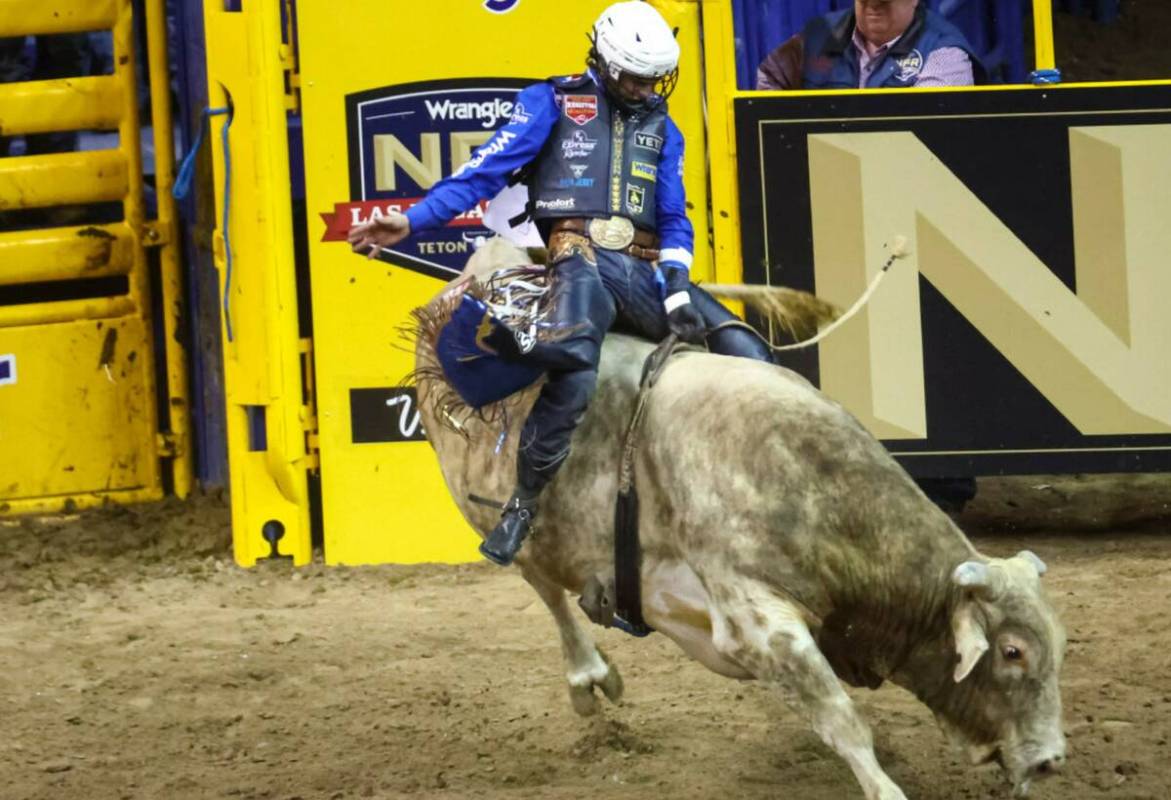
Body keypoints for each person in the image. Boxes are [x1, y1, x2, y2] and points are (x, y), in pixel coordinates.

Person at [349, 1, 774, 567]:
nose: (645, 91)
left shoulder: (664, 128)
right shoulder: (550, 102)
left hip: (647, 269)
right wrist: (411, 220)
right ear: (601, 60)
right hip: (580, 258)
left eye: (653, 81)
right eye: (633, 78)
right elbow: (484, 172)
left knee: (749, 350)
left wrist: (675, 283)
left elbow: (674, 217)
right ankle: (522, 506)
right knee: (575, 369)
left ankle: (755, 496)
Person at [756, 0, 985, 91]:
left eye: (883, 2)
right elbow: (770, 79)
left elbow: (924, 133)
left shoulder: (942, 51)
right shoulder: (821, 35)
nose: (873, 7)